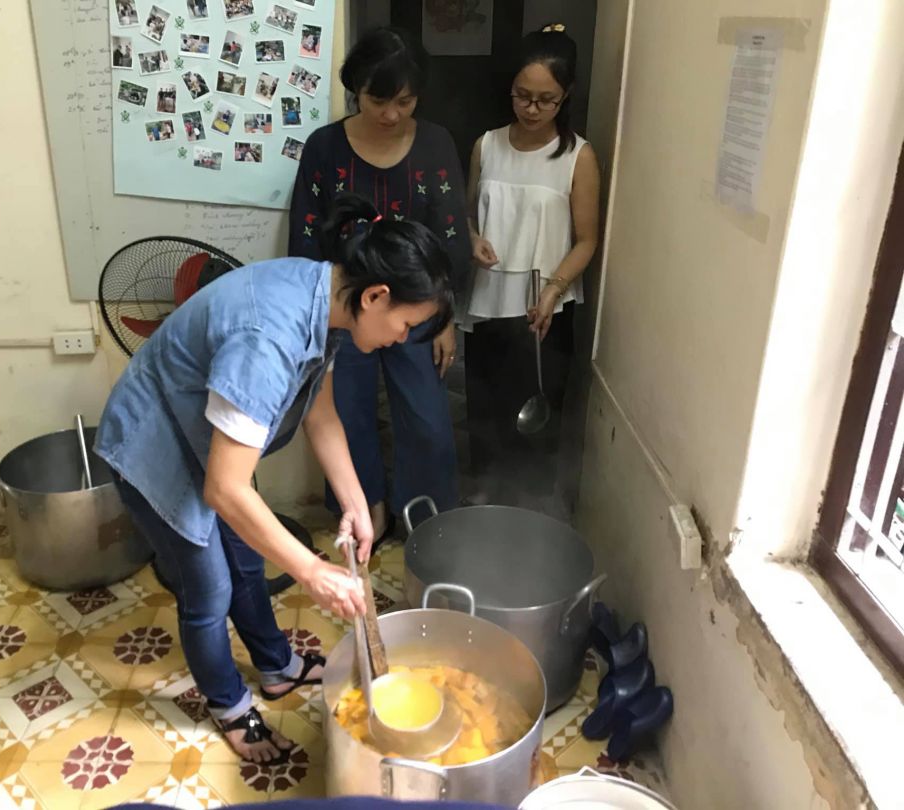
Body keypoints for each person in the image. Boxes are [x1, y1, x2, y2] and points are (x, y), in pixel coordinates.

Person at [95, 193, 453, 766]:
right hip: (153, 443)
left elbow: (320, 412)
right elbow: (225, 489)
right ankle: (229, 705)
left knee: (245, 559)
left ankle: (277, 667)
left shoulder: (327, 297)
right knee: (208, 588)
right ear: (376, 296)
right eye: (405, 325)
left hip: (204, 438)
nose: (400, 339)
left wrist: (356, 501)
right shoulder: (269, 335)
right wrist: (311, 570)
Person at [289, 26, 471, 540]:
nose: (391, 114)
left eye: (404, 102)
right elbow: (306, 237)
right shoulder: (324, 147)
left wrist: (444, 319)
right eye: (377, 100)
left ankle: (424, 521)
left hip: (417, 310)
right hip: (345, 311)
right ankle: (366, 509)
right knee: (346, 415)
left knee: (429, 423)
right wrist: (319, 323)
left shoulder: (435, 144)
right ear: (355, 89)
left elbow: (451, 238)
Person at [463, 24, 600, 505]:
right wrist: (472, 238)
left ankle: (530, 508)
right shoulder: (486, 145)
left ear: (566, 96)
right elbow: (467, 213)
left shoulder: (578, 157)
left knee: (536, 415)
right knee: (485, 408)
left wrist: (554, 289)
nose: (532, 109)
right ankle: (484, 500)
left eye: (547, 100)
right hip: (488, 298)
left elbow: (587, 240)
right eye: (523, 96)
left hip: (545, 308)